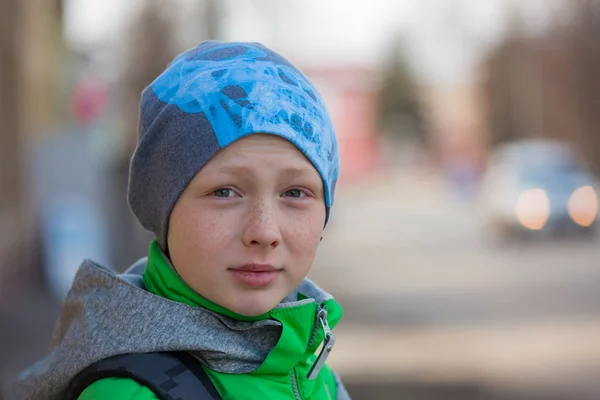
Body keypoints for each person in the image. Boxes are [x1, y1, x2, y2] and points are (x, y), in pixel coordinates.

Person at [13, 41, 350, 400]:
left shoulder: (311, 371)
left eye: (295, 193)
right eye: (224, 192)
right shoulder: (131, 393)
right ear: (164, 206)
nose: (264, 232)